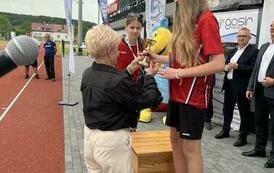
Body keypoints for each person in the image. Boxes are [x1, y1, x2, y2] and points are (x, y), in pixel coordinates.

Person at [146, 0, 224, 172]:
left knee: (190, 149)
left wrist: (178, 74)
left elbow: (219, 64)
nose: (178, 3)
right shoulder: (190, 20)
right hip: (177, 93)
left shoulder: (207, 19)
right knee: (175, 143)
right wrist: (157, 58)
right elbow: (182, 59)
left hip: (193, 98)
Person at [81, 24, 162, 173]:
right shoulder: (117, 80)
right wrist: (149, 76)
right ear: (109, 51)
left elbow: (111, 85)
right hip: (112, 143)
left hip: (90, 137)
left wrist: (129, 70)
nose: (119, 53)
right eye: (117, 49)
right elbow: (151, 99)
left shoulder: (87, 74)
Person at [215, 27, 258, 147]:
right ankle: (225, 130)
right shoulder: (232, 51)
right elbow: (225, 65)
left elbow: (253, 69)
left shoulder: (254, 51)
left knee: (244, 113)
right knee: (227, 109)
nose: (241, 38)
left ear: (249, 38)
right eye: (239, 36)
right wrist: (226, 68)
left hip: (242, 87)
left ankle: (242, 137)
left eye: (244, 36)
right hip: (229, 84)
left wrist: (238, 66)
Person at [242, 20, 274, 169]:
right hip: (260, 91)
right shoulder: (264, 47)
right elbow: (256, 69)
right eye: (271, 26)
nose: (272, 29)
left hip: (273, 92)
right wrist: (250, 87)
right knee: (259, 121)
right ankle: (259, 149)